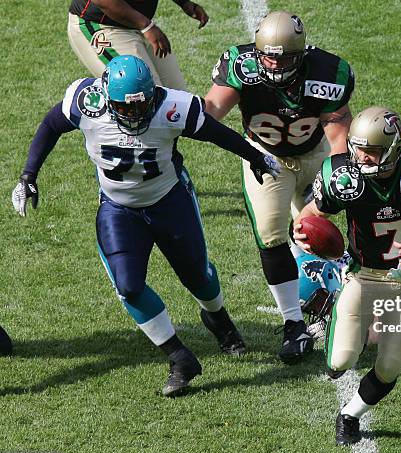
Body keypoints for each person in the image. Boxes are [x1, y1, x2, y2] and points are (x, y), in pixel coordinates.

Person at [11, 55, 279, 397]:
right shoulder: (86, 101)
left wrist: (255, 158)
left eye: (142, 106)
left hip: (170, 200)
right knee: (129, 286)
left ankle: (218, 320)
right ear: (107, 97)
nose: (136, 115)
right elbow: (51, 124)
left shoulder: (174, 106)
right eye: (127, 107)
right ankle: (180, 358)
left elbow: (216, 133)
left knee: (197, 275)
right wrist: (28, 176)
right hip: (118, 208)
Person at [294, 107, 401, 445]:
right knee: (340, 361)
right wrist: (301, 231)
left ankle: (350, 414)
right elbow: (308, 216)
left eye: (371, 152)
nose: (362, 159)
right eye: (358, 150)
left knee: (388, 368)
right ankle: (332, 312)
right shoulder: (342, 176)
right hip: (363, 277)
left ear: (394, 150)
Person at [203, 11, 355, 364]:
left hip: (315, 152)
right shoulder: (241, 67)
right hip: (265, 156)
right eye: (267, 55)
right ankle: (293, 325)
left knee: (319, 232)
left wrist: (334, 178)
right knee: (272, 234)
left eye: (283, 57)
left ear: (300, 54)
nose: (273, 64)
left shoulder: (326, 73)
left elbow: (337, 134)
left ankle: (347, 298)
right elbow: (210, 111)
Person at [68, 0, 208, 89]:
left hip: (139, 23)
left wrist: (184, 3)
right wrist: (146, 26)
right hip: (102, 25)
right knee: (141, 95)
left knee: (177, 99)